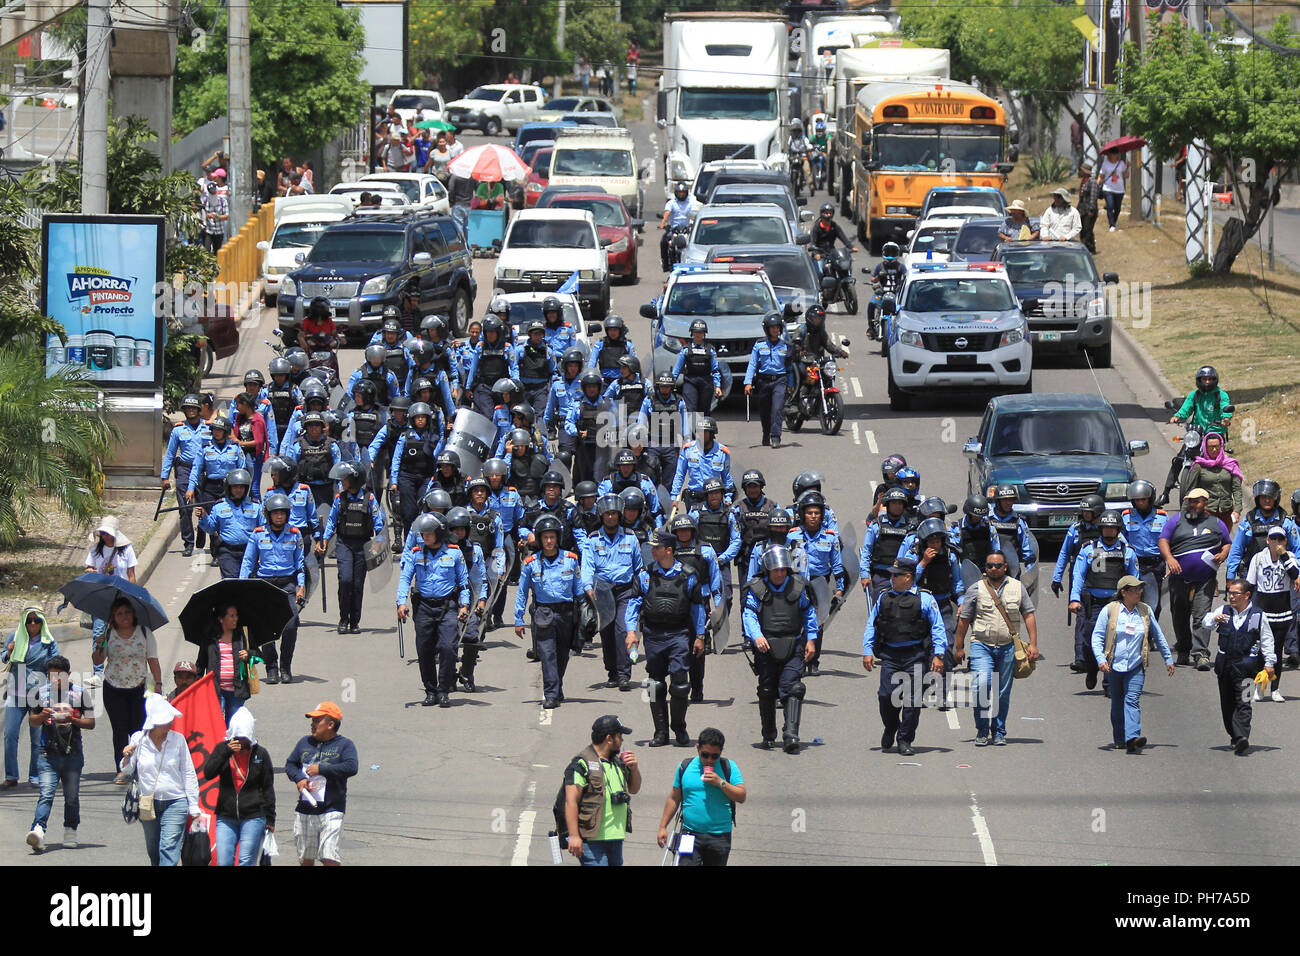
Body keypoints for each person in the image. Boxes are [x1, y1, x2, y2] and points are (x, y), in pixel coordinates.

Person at [626, 528, 708, 747]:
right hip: (653, 635)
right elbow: (633, 603)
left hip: (679, 634)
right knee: (654, 684)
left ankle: (679, 728)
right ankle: (660, 731)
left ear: (669, 551)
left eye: (656, 548)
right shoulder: (645, 575)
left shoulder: (689, 575)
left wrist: (700, 636)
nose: (652, 551)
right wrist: (630, 632)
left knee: (680, 682)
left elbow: (698, 608)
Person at [862, 556, 949, 756]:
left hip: (915, 655)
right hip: (890, 655)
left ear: (908, 577)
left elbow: (937, 628)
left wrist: (939, 655)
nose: (892, 579)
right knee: (886, 696)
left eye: (896, 575)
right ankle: (891, 726)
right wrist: (867, 651)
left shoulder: (925, 598)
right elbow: (871, 625)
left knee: (912, 700)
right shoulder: (884, 597)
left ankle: (904, 739)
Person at [954, 551, 1039, 745]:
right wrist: (958, 647)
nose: (993, 569)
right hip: (981, 645)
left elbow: (1029, 615)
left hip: (1008, 647)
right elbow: (964, 620)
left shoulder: (1018, 588)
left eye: (998, 565)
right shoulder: (975, 589)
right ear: (985, 567)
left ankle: (999, 731)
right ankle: (982, 730)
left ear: (1005, 567)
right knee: (981, 686)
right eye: (990, 565)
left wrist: (1033, 644)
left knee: (1002, 692)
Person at [743, 546, 818, 751]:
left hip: (794, 645)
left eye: (783, 569)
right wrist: (756, 636)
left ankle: (791, 734)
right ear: (768, 570)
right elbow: (748, 614)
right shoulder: (757, 588)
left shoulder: (799, 587)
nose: (779, 573)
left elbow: (809, 614)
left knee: (792, 688)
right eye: (775, 570)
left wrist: (811, 640)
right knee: (767, 690)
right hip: (766, 647)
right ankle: (768, 735)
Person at [1092, 577, 1176, 754]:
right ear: (1124, 592)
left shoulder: (1145, 611)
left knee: (1132, 700)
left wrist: (1168, 659)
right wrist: (1101, 660)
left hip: (1136, 666)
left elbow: (1158, 636)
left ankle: (1133, 737)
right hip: (1113, 666)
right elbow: (1097, 637)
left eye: (1140, 590)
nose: (1139, 593)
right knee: (1117, 703)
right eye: (1135, 590)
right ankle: (1120, 738)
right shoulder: (1110, 610)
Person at [397, 513, 470, 707]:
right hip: (423, 607)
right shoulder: (416, 552)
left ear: (439, 532)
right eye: (423, 533)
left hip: (448, 607)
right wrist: (401, 603)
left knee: (448, 647)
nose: (425, 536)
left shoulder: (454, 552)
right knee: (425, 650)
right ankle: (430, 690)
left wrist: (464, 605)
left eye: (429, 533)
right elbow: (405, 578)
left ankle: (444, 689)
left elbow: (463, 582)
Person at [120, 694, 201, 866]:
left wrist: (193, 805)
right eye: (165, 721)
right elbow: (127, 771)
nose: (169, 723)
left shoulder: (178, 739)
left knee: (168, 847)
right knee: (153, 849)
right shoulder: (138, 740)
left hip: (176, 802)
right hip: (147, 803)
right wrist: (127, 756)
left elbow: (188, 772)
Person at [514, 515, 584, 708]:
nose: (549, 541)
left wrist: (587, 614)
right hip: (543, 613)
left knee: (562, 655)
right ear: (539, 539)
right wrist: (518, 619)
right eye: (545, 538)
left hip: (567, 613)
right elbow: (521, 592)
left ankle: (557, 685)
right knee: (547, 654)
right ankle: (551, 693)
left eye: (552, 537)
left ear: (558, 538)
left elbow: (579, 590)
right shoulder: (531, 563)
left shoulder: (571, 560)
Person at [24, 656, 92, 852]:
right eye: (51, 676)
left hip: (73, 753)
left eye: (59, 675)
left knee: (71, 797)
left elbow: (91, 722)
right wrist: (43, 715)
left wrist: (73, 719)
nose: (55, 680)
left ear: (68, 675)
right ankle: (38, 830)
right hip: (47, 753)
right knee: (46, 794)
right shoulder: (40, 694)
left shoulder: (80, 694)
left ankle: (70, 830)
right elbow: (33, 721)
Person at [1159, 488, 1232, 670]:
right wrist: (1170, 558)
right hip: (1179, 578)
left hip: (1205, 579)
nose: (1192, 505)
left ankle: (1200, 654)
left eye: (1196, 501)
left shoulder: (1216, 523)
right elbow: (1163, 540)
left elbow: (1227, 542)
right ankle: (1183, 649)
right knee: (1179, 615)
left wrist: (1223, 553)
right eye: (1190, 501)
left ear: (1205, 503)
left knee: (1201, 615)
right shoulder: (1176, 520)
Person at [240, 494, 307, 685]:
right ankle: (271, 667)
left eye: (282, 514)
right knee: (266, 627)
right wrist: (242, 585)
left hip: (287, 585)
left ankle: (286, 666)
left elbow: (300, 564)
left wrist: (301, 586)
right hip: (265, 585)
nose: (279, 517)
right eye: (275, 513)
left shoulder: (295, 534)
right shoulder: (258, 533)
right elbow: (248, 562)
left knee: (291, 624)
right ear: (268, 515)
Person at [92, 597, 161, 782]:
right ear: (113, 617)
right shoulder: (108, 635)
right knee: (120, 730)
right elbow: (97, 660)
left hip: (140, 689)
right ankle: (122, 768)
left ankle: (140, 766)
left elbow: (153, 661)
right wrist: (100, 644)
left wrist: (159, 686)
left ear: (133, 614)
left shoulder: (145, 633)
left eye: (127, 612)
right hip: (114, 688)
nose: (124, 616)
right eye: (120, 613)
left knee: (139, 730)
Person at [1070, 512, 1139, 690]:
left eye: (1112, 528)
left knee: (1113, 642)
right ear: (1101, 529)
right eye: (1106, 527)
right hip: (1092, 603)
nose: (1109, 531)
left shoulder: (1127, 552)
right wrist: (1074, 599)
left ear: (1118, 529)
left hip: (1116, 603)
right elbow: (1078, 575)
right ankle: (1092, 669)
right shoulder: (1088, 549)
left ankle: (1109, 682)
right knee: (1087, 640)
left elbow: (1134, 579)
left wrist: (1133, 602)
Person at [582, 495, 645, 692]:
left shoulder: (630, 537)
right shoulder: (592, 540)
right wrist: (588, 588)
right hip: (602, 592)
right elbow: (587, 567)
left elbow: (639, 567)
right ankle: (612, 673)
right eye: (607, 514)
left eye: (614, 514)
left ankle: (624, 674)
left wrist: (642, 590)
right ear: (602, 515)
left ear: (619, 515)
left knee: (622, 631)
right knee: (607, 634)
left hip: (625, 591)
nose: (611, 517)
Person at [656, 727, 745, 866]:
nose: (709, 760)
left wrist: (720, 782)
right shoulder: (685, 766)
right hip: (689, 834)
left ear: (721, 752)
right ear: (698, 748)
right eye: (705, 755)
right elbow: (674, 798)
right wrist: (662, 827)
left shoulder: (729, 767)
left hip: (719, 836)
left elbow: (741, 796)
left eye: (715, 756)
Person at [200, 706, 275, 866]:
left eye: (244, 738)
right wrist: (226, 752)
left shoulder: (260, 754)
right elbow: (209, 773)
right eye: (237, 737)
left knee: (246, 860)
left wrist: (270, 818)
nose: (241, 742)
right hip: (226, 816)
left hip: (254, 816)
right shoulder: (222, 749)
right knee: (224, 861)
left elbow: (267, 787)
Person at [285, 702, 358, 866]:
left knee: (329, 857)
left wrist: (322, 768)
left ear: (331, 724)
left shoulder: (345, 745)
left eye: (317, 721)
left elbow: (351, 767)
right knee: (306, 859)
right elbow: (290, 764)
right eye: (312, 720)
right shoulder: (304, 742)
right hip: (305, 809)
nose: (312, 724)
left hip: (332, 809)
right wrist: (298, 778)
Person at [562, 715, 641, 866]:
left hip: (616, 838)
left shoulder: (618, 762)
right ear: (609, 738)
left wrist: (635, 769)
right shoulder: (581, 764)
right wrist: (573, 836)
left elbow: (634, 788)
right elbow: (571, 801)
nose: (622, 740)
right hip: (592, 841)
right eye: (620, 736)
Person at [321, 462, 385, 634]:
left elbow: (379, 523)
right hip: (344, 544)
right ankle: (343, 618)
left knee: (357, 585)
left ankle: (354, 621)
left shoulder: (370, 499)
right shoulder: (339, 499)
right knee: (346, 580)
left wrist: (379, 542)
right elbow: (331, 522)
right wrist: (325, 540)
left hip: (363, 546)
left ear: (355, 480)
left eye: (345, 478)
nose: (342, 481)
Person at [4, 607, 60, 790]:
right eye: (29, 620)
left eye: (37, 621)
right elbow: (4, 658)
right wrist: (9, 651)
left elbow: (56, 664)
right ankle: (11, 775)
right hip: (15, 692)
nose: (33, 624)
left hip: (38, 694)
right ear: (24, 622)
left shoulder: (48, 641)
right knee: (10, 734)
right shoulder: (15, 636)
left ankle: (35, 774)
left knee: (37, 738)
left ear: (42, 622)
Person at [1245, 529, 1298, 702]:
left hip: (1282, 612)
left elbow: (1295, 575)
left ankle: (1275, 689)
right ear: (1267, 540)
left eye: (1280, 538)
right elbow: (1250, 585)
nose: (1276, 541)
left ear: (1285, 540)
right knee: (1259, 651)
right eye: (1273, 538)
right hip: (1262, 611)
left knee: (1276, 652)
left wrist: (1283, 554)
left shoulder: (1289, 557)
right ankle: (1260, 687)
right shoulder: (1258, 558)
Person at [161, 394, 209, 556]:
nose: (190, 411)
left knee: (204, 505)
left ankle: (202, 531)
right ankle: (188, 542)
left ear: (199, 409)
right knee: (185, 508)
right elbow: (170, 453)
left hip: (204, 471)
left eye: (193, 408)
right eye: (187, 408)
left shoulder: (208, 427)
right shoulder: (178, 429)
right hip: (184, 470)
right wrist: (164, 477)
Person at [82, 515, 139, 654]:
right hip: (101, 597)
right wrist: (90, 571)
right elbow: (89, 569)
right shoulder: (96, 550)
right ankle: (97, 671)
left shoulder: (126, 550)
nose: (105, 537)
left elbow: (131, 575)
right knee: (98, 633)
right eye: (103, 534)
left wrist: (131, 595)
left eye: (108, 533)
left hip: (120, 597)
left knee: (120, 633)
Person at [196, 469, 260, 579]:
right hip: (227, 551)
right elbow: (211, 528)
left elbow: (263, 529)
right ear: (229, 488)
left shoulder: (256, 506)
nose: (238, 490)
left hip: (250, 551)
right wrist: (204, 517)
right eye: (235, 487)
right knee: (231, 582)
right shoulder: (219, 506)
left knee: (250, 583)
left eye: (241, 487)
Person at [195, 603, 252, 723]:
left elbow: (258, 655)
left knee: (233, 725)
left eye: (236, 615)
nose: (235, 619)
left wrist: (249, 654)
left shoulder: (242, 635)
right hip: (215, 691)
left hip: (237, 690)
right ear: (221, 619)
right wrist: (194, 687)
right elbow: (201, 663)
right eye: (231, 616)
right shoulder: (209, 638)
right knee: (217, 726)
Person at [744, 313, 793, 448]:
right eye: (772, 328)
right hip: (764, 382)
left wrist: (791, 384)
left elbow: (789, 367)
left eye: (777, 327)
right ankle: (766, 432)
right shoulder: (759, 345)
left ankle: (775, 436)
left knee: (777, 408)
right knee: (764, 410)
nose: (775, 330)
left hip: (780, 380)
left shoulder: (785, 346)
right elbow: (753, 364)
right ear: (767, 329)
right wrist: (748, 382)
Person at [1182, 433, 1242, 528]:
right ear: (1205, 448)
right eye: (1210, 448)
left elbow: (1237, 489)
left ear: (1221, 446)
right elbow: (1190, 492)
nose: (1214, 450)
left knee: (1225, 540)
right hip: (1206, 512)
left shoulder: (1231, 465)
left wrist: (1237, 510)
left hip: (1226, 512)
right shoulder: (1199, 466)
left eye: (1217, 447)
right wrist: (1183, 515)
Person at [1169, 365, 1232, 439]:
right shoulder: (1194, 395)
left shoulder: (1221, 395)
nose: (1207, 382)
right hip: (1196, 431)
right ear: (1199, 380)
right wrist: (1178, 416)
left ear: (1214, 380)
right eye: (1204, 379)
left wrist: (1226, 418)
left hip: (1216, 431)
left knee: (1214, 449)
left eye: (1210, 379)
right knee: (1186, 450)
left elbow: (1225, 406)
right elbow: (1186, 408)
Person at [659, 181, 699, 271]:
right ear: (676, 193)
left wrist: (694, 223)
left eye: (683, 192)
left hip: (687, 230)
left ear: (686, 192)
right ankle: (665, 264)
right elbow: (667, 213)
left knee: (694, 243)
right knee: (664, 241)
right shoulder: (671, 203)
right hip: (673, 229)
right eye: (679, 192)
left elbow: (694, 213)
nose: (681, 194)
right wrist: (663, 223)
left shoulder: (691, 202)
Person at [1098, 147, 1128, 231]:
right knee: (1110, 206)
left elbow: (1126, 176)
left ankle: (1113, 222)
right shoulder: (1105, 164)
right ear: (1110, 155)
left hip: (1119, 189)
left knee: (1117, 209)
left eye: (1118, 153)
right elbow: (1101, 176)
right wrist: (1097, 184)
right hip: (1108, 189)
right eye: (1115, 154)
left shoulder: (1121, 163)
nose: (1117, 155)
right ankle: (1111, 224)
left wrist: (1128, 167)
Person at [1078, 162, 1100, 253]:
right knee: (1082, 229)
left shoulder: (1092, 182)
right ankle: (1084, 247)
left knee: (1088, 229)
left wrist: (1091, 209)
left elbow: (1093, 197)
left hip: (1089, 210)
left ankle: (1090, 248)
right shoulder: (1084, 181)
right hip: (1082, 209)